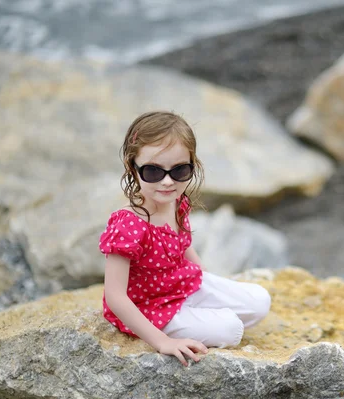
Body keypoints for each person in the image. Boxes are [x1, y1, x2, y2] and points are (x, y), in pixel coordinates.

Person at [100, 111, 271, 366]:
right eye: (153, 172)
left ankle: (196, 314)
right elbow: (115, 297)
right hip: (150, 306)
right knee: (232, 330)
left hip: (181, 285)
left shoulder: (175, 201)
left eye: (179, 170)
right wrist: (162, 341)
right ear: (132, 167)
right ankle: (189, 320)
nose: (168, 182)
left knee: (260, 301)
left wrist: (204, 276)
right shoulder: (129, 224)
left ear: (193, 165)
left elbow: (183, 242)